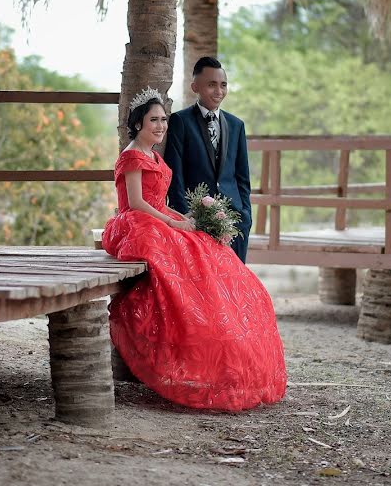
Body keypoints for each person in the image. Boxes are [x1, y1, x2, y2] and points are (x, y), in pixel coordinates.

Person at [102, 87, 286, 412]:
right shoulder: (132, 155)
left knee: (210, 252)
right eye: (153, 120)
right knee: (183, 258)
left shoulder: (153, 154)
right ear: (138, 124)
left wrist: (182, 217)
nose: (160, 126)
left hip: (158, 218)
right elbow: (136, 203)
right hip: (136, 224)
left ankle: (228, 337)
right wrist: (171, 223)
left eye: (163, 120)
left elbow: (159, 201)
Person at [164, 57, 252, 262]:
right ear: (195, 86)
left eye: (223, 85)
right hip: (196, 219)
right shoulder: (181, 121)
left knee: (235, 283)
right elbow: (175, 175)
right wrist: (185, 216)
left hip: (235, 219)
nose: (218, 91)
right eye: (211, 85)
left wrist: (246, 215)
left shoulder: (236, 125)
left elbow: (242, 177)